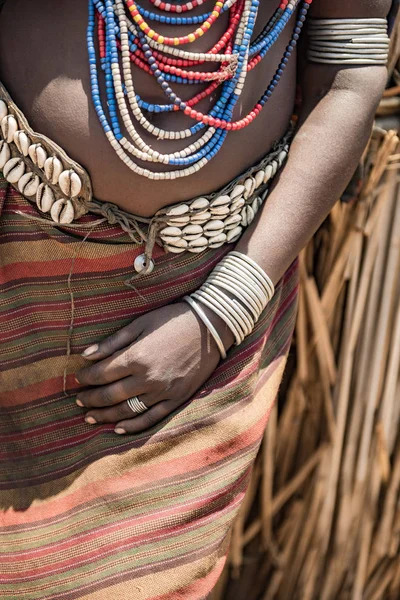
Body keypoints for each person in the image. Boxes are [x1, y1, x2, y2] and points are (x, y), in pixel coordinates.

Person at [0, 0, 390, 598]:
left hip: (202, 310)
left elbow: (349, 73)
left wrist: (221, 312)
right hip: (18, 264)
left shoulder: (213, 320)